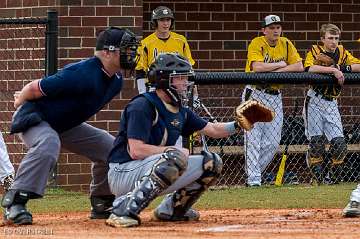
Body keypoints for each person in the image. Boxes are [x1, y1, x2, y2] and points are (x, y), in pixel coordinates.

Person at [1, 27, 139, 225]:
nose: (131, 54)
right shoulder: (82, 73)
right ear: (107, 52)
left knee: (111, 148)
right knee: (49, 143)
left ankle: (102, 200)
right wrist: (19, 100)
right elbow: (34, 88)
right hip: (36, 118)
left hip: (64, 123)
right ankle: (15, 202)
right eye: (125, 49)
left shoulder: (116, 81)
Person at [105, 53, 246, 228]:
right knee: (174, 156)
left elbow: (213, 130)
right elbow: (136, 150)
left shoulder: (180, 109)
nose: (185, 83)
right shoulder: (142, 105)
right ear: (164, 80)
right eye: (179, 78)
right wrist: (172, 151)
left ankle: (172, 210)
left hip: (150, 167)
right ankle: (122, 209)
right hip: (123, 172)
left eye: (185, 78)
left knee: (211, 162)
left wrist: (241, 124)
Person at [242, 15, 303, 186]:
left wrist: (275, 72)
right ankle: (254, 180)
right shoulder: (257, 42)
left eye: (278, 27)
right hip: (255, 93)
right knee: (253, 139)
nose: (276, 30)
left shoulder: (286, 43)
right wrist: (282, 65)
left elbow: (299, 66)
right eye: (271, 27)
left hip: (275, 96)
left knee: (272, 142)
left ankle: (255, 175)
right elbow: (257, 67)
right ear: (264, 30)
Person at [303, 23, 360, 184]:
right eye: (330, 38)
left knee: (339, 144)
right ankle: (318, 180)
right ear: (322, 39)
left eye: (336, 38)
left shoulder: (342, 52)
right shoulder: (314, 50)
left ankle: (332, 179)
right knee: (317, 143)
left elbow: (358, 65)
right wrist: (334, 70)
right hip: (314, 100)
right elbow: (308, 68)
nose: (333, 42)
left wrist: (343, 68)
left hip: (331, 102)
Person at [135, 5, 195, 94]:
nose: (166, 23)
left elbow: (190, 68)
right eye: (162, 20)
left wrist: (195, 94)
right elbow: (140, 71)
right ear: (155, 22)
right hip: (155, 88)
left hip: (177, 87)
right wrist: (142, 93)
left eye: (168, 20)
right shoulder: (145, 43)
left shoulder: (181, 40)